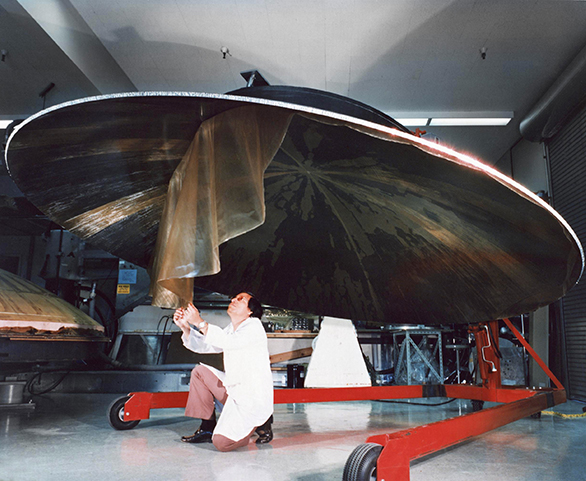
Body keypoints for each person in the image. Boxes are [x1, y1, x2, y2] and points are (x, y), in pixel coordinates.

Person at [173, 292, 274, 451]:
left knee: (221, 443)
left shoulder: (254, 327)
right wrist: (185, 326)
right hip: (235, 390)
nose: (233, 300)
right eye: (234, 298)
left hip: (250, 398)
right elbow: (206, 346)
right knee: (200, 372)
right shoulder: (232, 328)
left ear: (250, 311)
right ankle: (207, 427)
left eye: (240, 299)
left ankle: (258, 423)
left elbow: (226, 341)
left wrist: (200, 322)